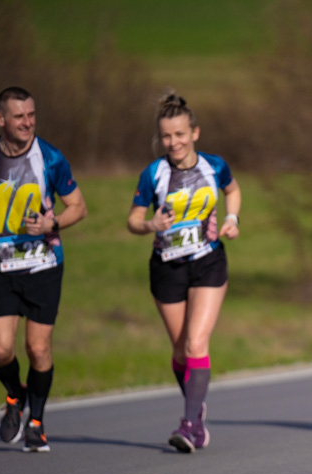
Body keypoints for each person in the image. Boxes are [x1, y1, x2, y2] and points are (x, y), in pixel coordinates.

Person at [127, 91, 241, 453]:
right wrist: (150, 224)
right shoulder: (154, 174)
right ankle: (196, 405)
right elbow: (132, 220)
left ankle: (191, 425)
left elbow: (232, 191)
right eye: (166, 136)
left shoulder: (214, 165)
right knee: (180, 351)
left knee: (196, 342)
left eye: (179, 134)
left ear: (194, 133)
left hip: (208, 261)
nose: (173, 142)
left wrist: (232, 218)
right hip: (167, 267)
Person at [0, 86, 88, 452]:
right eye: (19, 116)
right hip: (0, 269)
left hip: (43, 266)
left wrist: (50, 225)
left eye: (32, 115)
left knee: (37, 350)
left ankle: (36, 422)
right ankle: (14, 395)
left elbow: (77, 207)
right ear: (0, 119)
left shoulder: (50, 159)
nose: (28, 122)